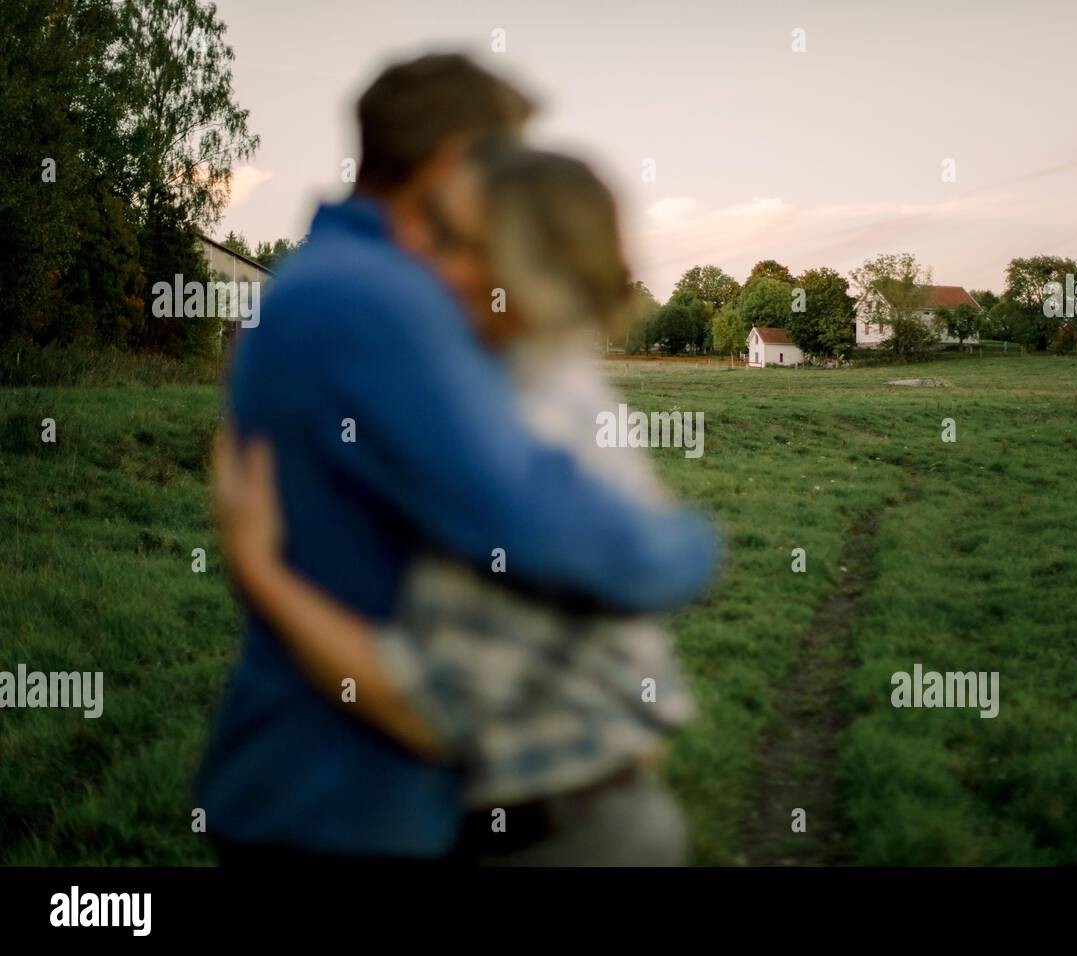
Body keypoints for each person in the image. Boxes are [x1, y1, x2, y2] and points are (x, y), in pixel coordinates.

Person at [197, 53, 717, 864]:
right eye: (502, 165)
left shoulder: (321, 283)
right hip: (343, 799)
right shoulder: (384, 297)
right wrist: (685, 550)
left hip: (353, 784)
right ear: (451, 162)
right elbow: (528, 514)